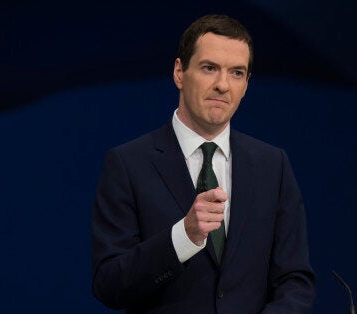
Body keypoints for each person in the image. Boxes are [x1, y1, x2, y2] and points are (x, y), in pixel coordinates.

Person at [91, 14, 316, 313]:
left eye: (237, 73)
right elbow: (109, 285)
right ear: (179, 72)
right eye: (209, 68)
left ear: (247, 84)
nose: (223, 85)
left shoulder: (272, 165)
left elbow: (295, 279)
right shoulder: (128, 163)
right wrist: (183, 236)